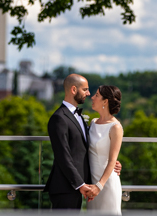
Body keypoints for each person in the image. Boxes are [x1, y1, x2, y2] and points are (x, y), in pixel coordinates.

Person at [45, 74, 121, 210]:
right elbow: (63, 155)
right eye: (85, 89)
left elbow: (87, 148)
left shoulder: (81, 117)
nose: (89, 93)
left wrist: (113, 163)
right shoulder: (59, 118)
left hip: (84, 187)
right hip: (66, 187)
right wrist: (80, 184)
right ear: (74, 90)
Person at [86, 85, 124, 214]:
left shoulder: (116, 127)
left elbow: (112, 160)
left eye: (96, 95)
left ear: (105, 101)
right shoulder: (93, 122)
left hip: (106, 185)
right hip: (91, 184)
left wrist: (99, 186)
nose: (92, 97)